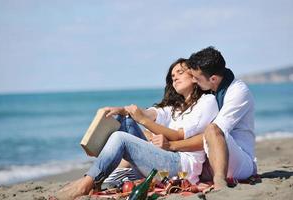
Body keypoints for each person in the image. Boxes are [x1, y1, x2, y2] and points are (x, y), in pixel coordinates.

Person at [52, 58, 219, 200]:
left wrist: (142, 120)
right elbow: (147, 113)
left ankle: (87, 183)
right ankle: (97, 155)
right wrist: (122, 109)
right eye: (172, 76)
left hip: (182, 166)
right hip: (166, 157)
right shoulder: (175, 108)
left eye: (180, 73)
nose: (174, 78)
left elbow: (178, 136)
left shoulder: (206, 101)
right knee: (123, 120)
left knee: (120, 138)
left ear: (194, 75)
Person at [175, 46, 256, 191]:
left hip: (240, 162)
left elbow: (215, 133)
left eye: (196, 78)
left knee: (212, 128)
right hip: (213, 156)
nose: (193, 80)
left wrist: (172, 145)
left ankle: (219, 181)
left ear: (213, 78)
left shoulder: (237, 92)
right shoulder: (213, 89)